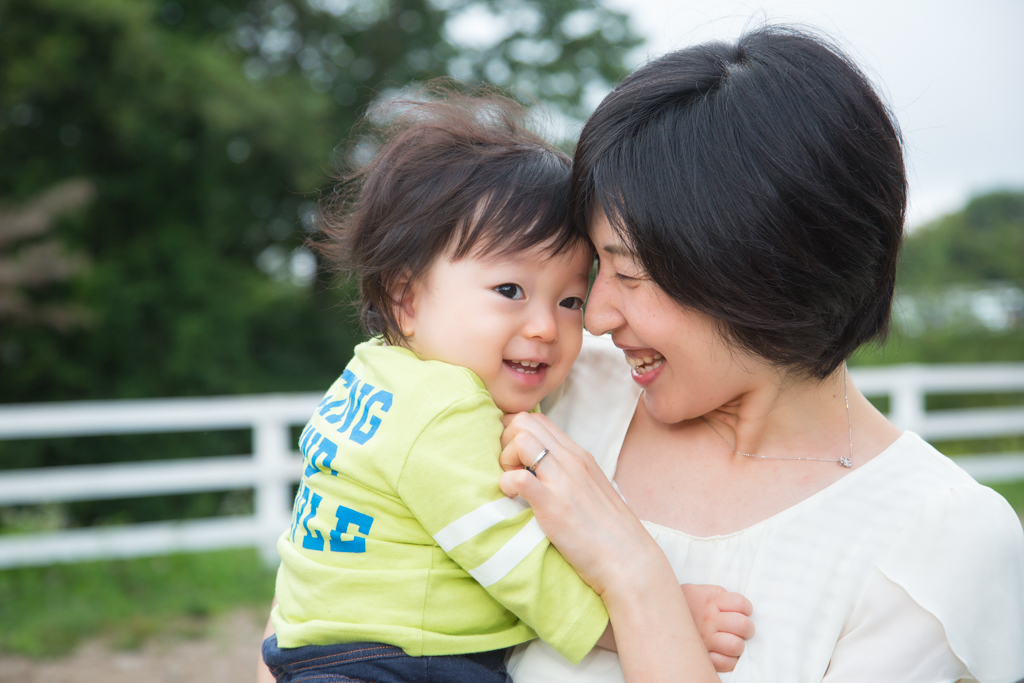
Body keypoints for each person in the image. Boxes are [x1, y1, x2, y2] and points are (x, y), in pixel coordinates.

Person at [495, 27, 1024, 683]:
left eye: (630, 275)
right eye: (596, 267)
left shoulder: (934, 540)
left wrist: (634, 577)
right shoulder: (563, 397)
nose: (598, 316)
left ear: (764, 269)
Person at [257, 91, 750, 683]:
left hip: (322, 646)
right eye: (510, 291)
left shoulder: (373, 371)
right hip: (395, 661)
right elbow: (513, 561)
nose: (545, 326)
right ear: (406, 297)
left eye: (569, 300)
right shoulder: (443, 412)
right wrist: (655, 618)